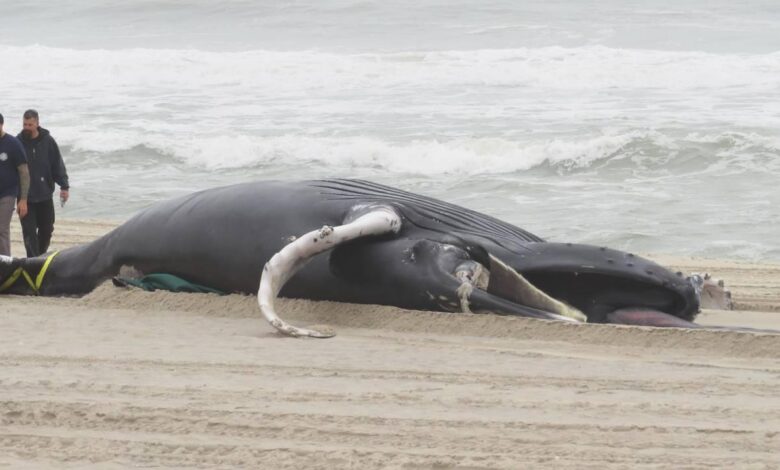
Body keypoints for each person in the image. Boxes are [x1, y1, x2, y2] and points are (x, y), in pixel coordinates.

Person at [17, 109, 69, 257]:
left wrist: (64, 186)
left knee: (47, 229)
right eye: (24, 124)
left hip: (45, 195)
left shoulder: (48, 141)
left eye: (30, 124)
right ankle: (33, 261)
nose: (26, 127)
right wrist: (18, 197)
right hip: (25, 199)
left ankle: (39, 258)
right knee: (29, 233)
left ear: (37, 123)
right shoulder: (17, 143)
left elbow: (57, 165)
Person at [0, 112, 30, 256]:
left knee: (1, 229)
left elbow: (24, 172)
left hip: (7, 193)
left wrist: (23, 199)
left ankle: (5, 266)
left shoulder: (12, 144)